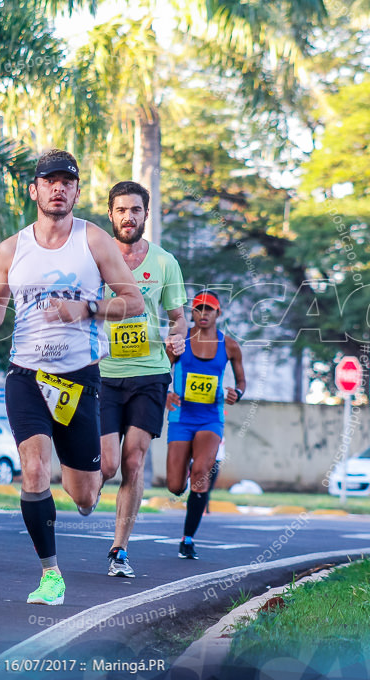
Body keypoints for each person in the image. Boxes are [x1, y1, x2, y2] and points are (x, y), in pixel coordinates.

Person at [0, 149, 143, 605]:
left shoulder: (94, 241)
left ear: (75, 191)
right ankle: (51, 575)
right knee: (33, 470)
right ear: (34, 190)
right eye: (49, 181)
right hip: (26, 375)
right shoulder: (11, 249)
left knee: (85, 495)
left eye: (66, 182)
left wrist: (87, 307)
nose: (57, 188)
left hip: (77, 379)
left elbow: (134, 302)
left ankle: (87, 486)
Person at [98, 181, 187, 579]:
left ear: (145, 215)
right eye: (121, 210)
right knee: (106, 464)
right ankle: (86, 490)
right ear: (111, 214)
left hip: (150, 373)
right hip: (101, 373)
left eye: (136, 209)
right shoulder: (94, 259)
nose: (128, 217)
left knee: (133, 462)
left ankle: (119, 550)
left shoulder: (165, 262)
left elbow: (178, 317)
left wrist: (178, 336)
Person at [165, 290, 245, 560]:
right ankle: (187, 465)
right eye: (198, 309)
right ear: (191, 313)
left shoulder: (230, 346)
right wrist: (166, 392)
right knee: (176, 486)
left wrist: (237, 393)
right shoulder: (180, 340)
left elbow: (242, 382)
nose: (202, 314)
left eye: (208, 309)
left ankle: (187, 539)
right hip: (181, 416)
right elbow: (161, 368)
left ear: (218, 313)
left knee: (200, 473)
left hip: (211, 417)